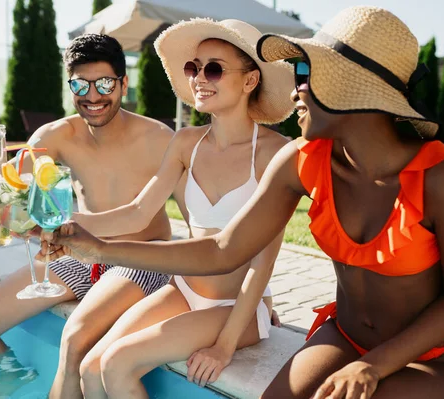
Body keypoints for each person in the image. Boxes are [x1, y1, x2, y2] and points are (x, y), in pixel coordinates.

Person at [42, 7, 444, 399]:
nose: (296, 90)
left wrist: (374, 366)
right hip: (345, 337)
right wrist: (96, 248)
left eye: (305, 75)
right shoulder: (301, 161)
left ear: (353, 90)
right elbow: (222, 250)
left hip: (429, 357)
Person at [42, 18, 294, 397]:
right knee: (91, 366)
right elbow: (138, 212)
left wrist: (224, 345)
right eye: (194, 68)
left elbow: (263, 261)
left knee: (116, 362)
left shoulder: (276, 153)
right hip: (183, 289)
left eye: (214, 69)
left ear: (250, 81)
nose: (198, 78)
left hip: (239, 305)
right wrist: (64, 223)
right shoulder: (186, 143)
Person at [0, 34, 178, 398]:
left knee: (75, 343)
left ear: (123, 83)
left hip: (139, 257)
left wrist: (254, 296)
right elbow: (9, 182)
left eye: (105, 83)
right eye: (80, 84)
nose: (92, 96)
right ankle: (14, 377)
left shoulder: (159, 139)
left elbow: (206, 221)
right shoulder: (57, 135)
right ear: (69, 85)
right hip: (81, 256)